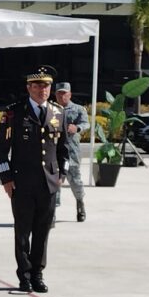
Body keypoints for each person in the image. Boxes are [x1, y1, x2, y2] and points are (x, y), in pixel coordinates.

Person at [0, 65, 69, 293]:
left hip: (49, 182)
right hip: (22, 182)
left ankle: (38, 274)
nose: (42, 90)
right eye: (37, 85)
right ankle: (24, 276)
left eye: (46, 85)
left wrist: (62, 175)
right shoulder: (14, 113)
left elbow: (64, 149)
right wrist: (6, 179)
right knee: (22, 231)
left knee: (42, 231)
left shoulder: (58, 113)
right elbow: (1, 150)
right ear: (28, 87)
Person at [54, 82, 90, 222]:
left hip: (71, 152)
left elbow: (86, 123)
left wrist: (77, 128)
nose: (61, 96)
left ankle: (80, 203)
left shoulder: (78, 109)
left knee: (75, 181)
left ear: (70, 94)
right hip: (54, 151)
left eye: (64, 93)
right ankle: (52, 210)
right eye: (59, 93)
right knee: (55, 181)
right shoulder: (51, 109)